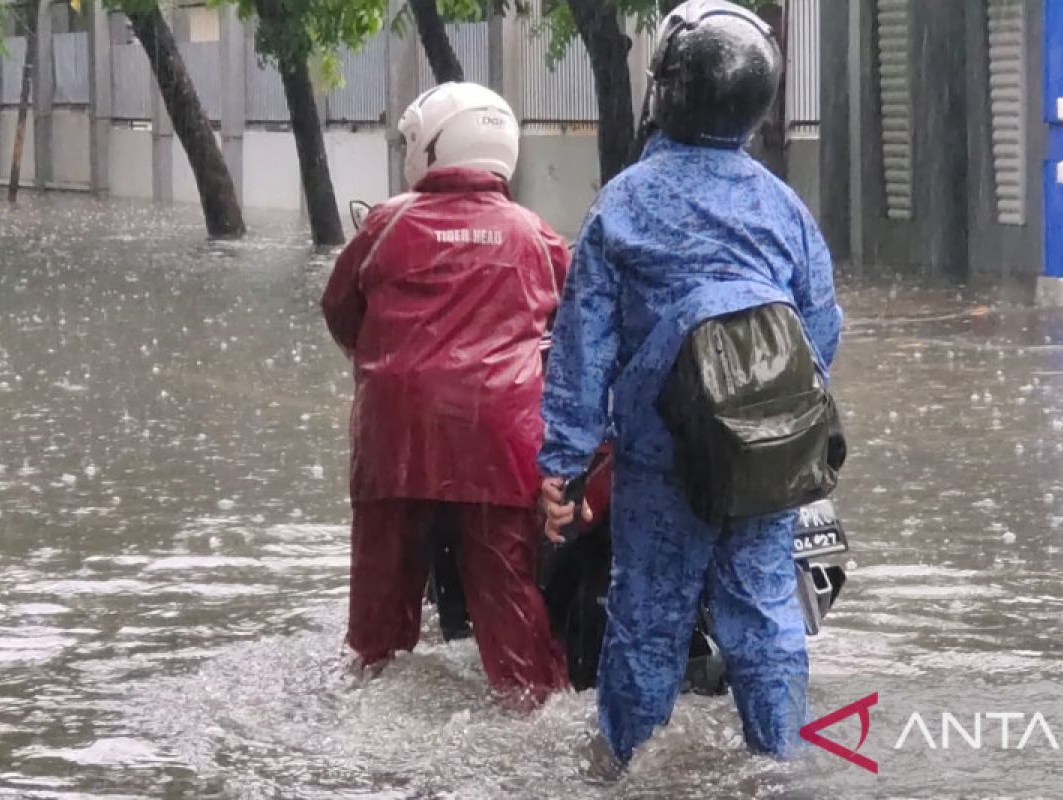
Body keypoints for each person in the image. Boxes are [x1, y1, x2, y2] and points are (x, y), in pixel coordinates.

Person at [538, 0, 843, 764]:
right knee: (767, 612)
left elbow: (581, 348)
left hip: (660, 460)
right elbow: (820, 333)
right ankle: (776, 764)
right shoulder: (784, 207)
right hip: (765, 457)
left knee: (647, 619)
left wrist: (564, 468)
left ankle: (623, 767)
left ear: (668, 89)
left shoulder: (624, 204)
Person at [321, 82, 571, 707]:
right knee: (510, 609)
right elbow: (572, 335)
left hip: (394, 437)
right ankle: (534, 712)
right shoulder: (537, 236)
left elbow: (339, 310)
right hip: (500, 442)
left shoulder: (385, 224)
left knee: (378, 626)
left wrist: (391, 369)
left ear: (432, 147)